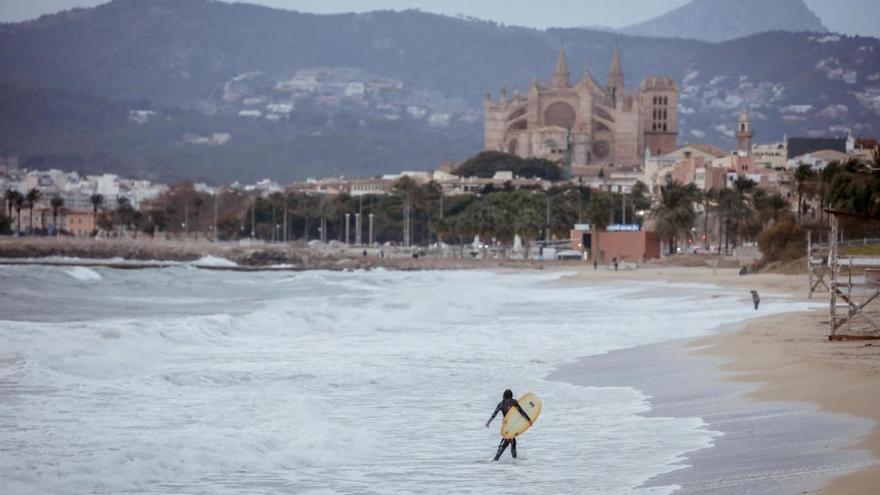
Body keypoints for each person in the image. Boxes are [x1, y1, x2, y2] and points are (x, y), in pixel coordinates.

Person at [485, 389, 532, 461]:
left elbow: (494, 414)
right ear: (511, 395)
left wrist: (488, 422)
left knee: (510, 443)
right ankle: (504, 460)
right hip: (512, 426)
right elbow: (521, 412)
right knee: (509, 443)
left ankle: (502, 460)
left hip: (505, 426)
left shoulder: (501, 404)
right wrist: (529, 420)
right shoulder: (513, 402)